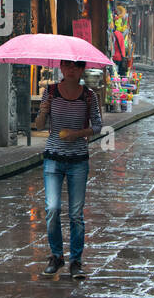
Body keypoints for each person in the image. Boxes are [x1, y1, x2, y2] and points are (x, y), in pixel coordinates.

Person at [33, 59, 103, 280]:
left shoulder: (89, 96)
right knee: (52, 209)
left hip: (78, 160)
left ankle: (76, 260)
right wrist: (43, 112)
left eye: (76, 66)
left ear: (82, 70)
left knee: (76, 214)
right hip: (53, 158)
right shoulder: (50, 92)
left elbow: (98, 126)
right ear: (61, 68)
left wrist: (78, 134)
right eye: (67, 66)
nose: (71, 70)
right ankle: (56, 256)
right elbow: (39, 126)